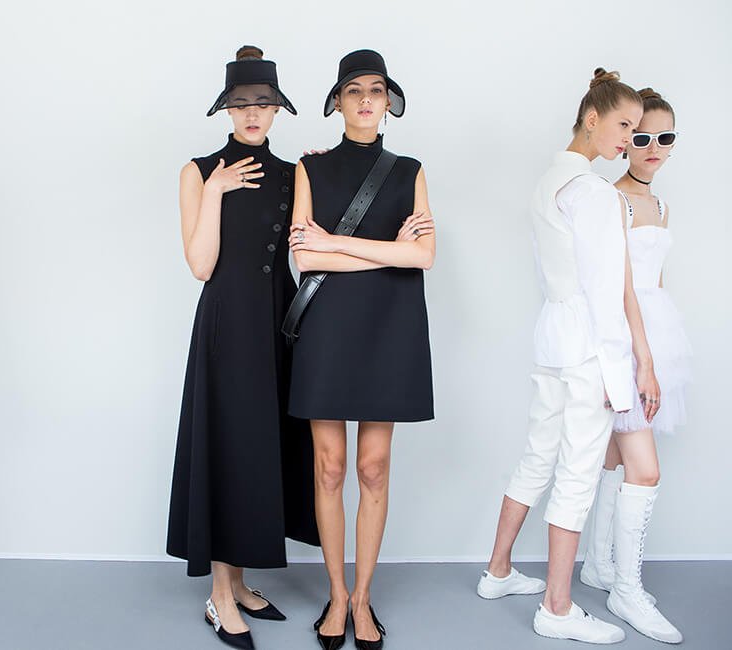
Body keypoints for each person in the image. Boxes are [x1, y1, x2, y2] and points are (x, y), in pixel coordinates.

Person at [477, 68, 654, 644]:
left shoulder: (549, 180)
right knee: (577, 475)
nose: (630, 139)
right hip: (587, 346)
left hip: (552, 336)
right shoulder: (596, 193)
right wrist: (624, 373)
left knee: (537, 457)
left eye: (636, 128)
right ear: (592, 118)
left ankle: (497, 571)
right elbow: (606, 293)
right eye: (624, 125)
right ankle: (557, 608)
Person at [166, 45, 319, 650]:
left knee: (261, 448)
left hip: (277, 323)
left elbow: (306, 250)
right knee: (228, 445)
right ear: (226, 109)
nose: (253, 113)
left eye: (263, 103)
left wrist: (324, 172)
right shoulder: (198, 171)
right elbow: (201, 265)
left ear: (278, 109)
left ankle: (240, 580)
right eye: (241, 104)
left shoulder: (292, 173)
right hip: (227, 325)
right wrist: (216, 191)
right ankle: (220, 594)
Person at [287, 49, 436, 650]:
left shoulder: (410, 170)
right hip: (328, 327)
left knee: (373, 466)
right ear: (337, 102)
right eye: (355, 90)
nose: (367, 100)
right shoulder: (310, 167)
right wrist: (386, 250)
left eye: (376, 90)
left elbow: (424, 256)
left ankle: (364, 597)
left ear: (389, 102)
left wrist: (339, 242)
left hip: (390, 327)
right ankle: (336, 593)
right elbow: (306, 258)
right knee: (329, 466)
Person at [579, 88, 687, 644]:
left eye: (665, 138)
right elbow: (612, 289)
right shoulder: (610, 200)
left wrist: (659, 355)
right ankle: (626, 588)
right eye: (642, 136)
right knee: (645, 471)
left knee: (617, 460)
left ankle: (599, 565)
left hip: (656, 337)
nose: (653, 148)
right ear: (626, 139)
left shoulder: (662, 207)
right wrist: (630, 360)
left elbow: (655, 285)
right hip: (623, 342)